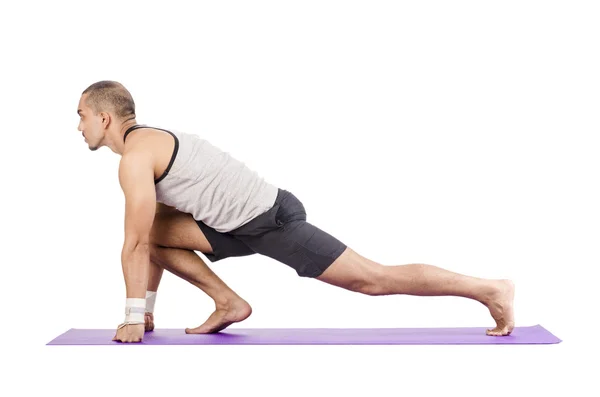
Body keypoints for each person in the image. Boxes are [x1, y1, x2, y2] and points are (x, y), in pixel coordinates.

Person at [76, 80, 515, 343]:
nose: (79, 126)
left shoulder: (135, 160)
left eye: (82, 116)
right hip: (232, 225)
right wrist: (147, 311)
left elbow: (132, 244)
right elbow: (148, 237)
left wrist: (132, 318)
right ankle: (228, 302)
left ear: (105, 118)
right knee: (153, 231)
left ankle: (489, 289)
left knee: (373, 280)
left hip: (271, 220)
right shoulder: (146, 146)